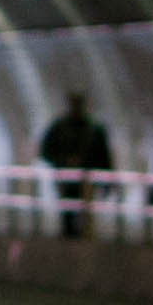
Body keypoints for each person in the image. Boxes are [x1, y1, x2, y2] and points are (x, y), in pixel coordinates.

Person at [38, 90, 112, 236]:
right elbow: (46, 151)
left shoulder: (92, 129)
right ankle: (71, 241)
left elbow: (103, 156)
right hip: (65, 178)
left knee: (85, 218)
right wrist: (63, 161)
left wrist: (106, 181)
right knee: (68, 216)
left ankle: (80, 242)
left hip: (86, 178)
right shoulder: (60, 127)